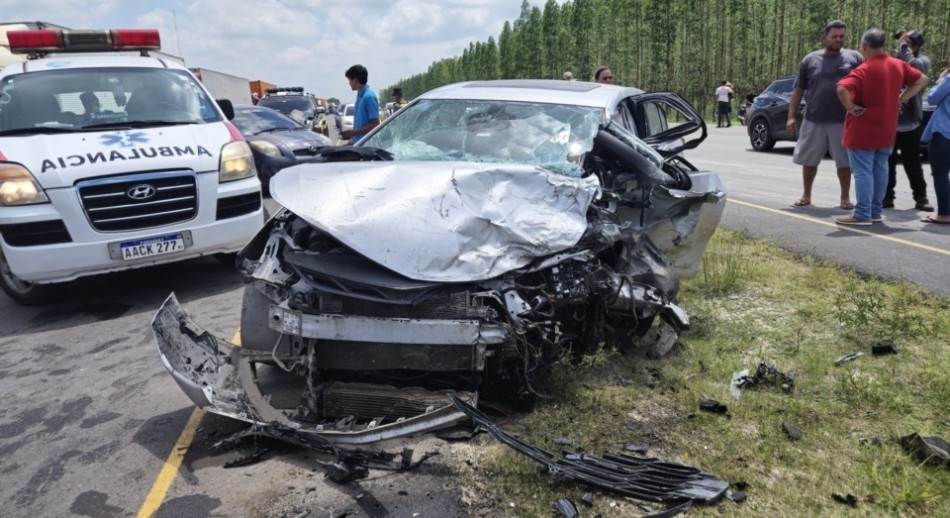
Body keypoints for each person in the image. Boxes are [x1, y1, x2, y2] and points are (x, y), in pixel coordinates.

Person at [834, 28, 927, 226]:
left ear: (865, 46)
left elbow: (842, 88)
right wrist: (901, 99)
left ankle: (862, 213)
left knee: (862, 172)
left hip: (862, 130)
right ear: (883, 45)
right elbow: (921, 80)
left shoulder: (863, 70)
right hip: (887, 128)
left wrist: (850, 107)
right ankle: (875, 211)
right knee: (880, 169)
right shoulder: (898, 65)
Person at [788, 19, 864, 210]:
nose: (839, 39)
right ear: (824, 38)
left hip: (844, 119)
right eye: (834, 36)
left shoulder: (854, 58)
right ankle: (806, 195)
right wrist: (791, 116)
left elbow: (865, 85)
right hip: (814, 118)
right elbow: (798, 90)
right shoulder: (810, 60)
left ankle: (845, 198)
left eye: (842, 36)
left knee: (844, 162)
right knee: (809, 160)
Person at [884, 30, 933, 211]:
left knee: (912, 162)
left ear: (916, 46)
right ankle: (887, 196)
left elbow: (916, 70)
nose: (901, 46)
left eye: (907, 43)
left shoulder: (922, 61)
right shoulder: (895, 60)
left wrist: (904, 50)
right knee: (887, 161)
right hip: (890, 121)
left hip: (910, 122)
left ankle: (921, 197)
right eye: (901, 43)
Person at [919, 63, 950, 224]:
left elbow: (932, 99)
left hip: (944, 133)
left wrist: (940, 80)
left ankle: (945, 213)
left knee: (941, 174)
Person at [340, 64, 379, 144]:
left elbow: (375, 124)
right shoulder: (360, 96)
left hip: (367, 145)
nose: (349, 83)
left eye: (350, 80)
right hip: (358, 143)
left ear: (355, 80)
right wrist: (353, 138)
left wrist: (355, 132)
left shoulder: (368, 97)